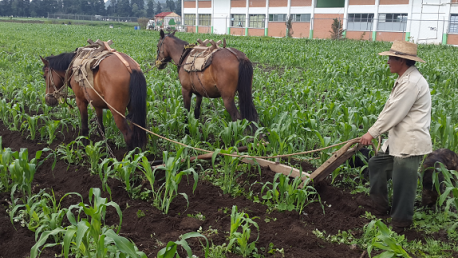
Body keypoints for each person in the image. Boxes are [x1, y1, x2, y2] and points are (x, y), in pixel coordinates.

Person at [359, 40, 432, 233]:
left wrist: (372, 133)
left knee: (403, 185)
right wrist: (373, 130)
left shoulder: (411, 83)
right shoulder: (404, 79)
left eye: (391, 58)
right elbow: (389, 110)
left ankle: (401, 224)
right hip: (398, 140)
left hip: (410, 142)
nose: (388, 61)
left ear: (402, 60)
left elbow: (394, 113)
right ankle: (379, 207)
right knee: (377, 164)